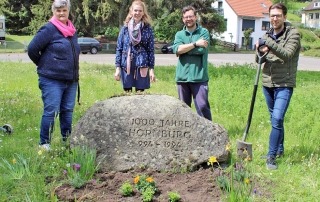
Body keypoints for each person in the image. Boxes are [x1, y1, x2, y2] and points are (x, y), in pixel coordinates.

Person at [28, 0, 80, 151]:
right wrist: (45, 65)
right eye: (58, 11)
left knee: (68, 111)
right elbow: (32, 49)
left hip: (70, 80)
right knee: (51, 111)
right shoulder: (49, 29)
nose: (61, 13)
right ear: (53, 12)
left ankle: (67, 141)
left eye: (64, 10)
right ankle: (44, 144)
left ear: (68, 11)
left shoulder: (71, 30)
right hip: (51, 80)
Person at [255, 3, 301, 170]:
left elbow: (287, 55)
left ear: (284, 17)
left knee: (277, 119)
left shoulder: (293, 34)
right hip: (268, 83)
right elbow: (260, 59)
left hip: (284, 84)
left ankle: (271, 156)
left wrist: (267, 43)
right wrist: (259, 50)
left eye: (278, 15)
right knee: (275, 120)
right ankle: (279, 150)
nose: (274, 18)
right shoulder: (268, 34)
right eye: (272, 15)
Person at [172, 5, 212, 121]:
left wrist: (185, 49)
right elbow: (177, 50)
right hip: (182, 78)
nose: (188, 19)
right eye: (186, 17)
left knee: (203, 106)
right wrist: (195, 44)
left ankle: (209, 133)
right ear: (183, 19)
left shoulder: (203, 32)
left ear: (195, 17)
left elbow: (202, 50)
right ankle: (187, 134)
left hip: (199, 77)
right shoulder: (179, 34)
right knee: (183, 110)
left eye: (190, 16)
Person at [114, 0, 155, 92]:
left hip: (142, 64)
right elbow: (119, 49)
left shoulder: (147, 29)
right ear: (131, 11)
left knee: (140, 95)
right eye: (135, 10)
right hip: (126, 65)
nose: (137, 13)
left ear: (143, 12)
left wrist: (151, 69)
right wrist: (117, 68)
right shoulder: (124, 29)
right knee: (127, 94)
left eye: (140, 11)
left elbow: (151, 50)